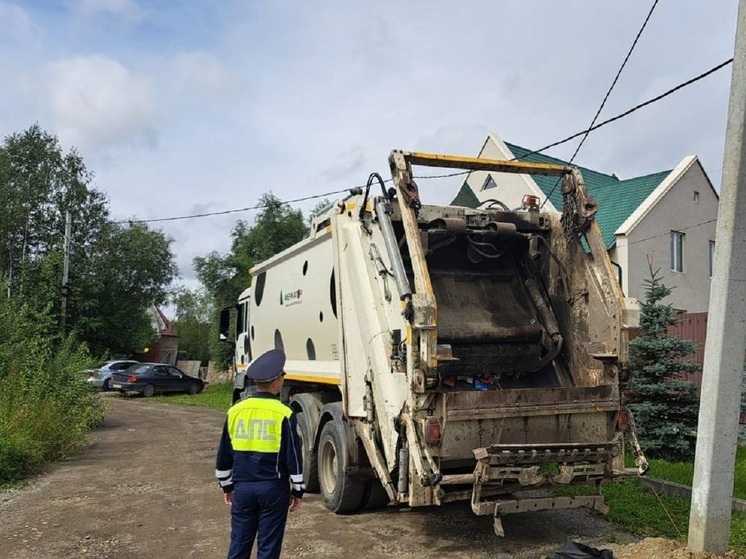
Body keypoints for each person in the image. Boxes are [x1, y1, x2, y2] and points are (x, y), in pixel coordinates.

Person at [215, 349, 304, 559]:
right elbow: (293, 456)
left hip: (243, 488)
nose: (283, 379)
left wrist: (227, 486)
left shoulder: (235, 410)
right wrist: (298, 491)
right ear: (275, 382)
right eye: (282, 376)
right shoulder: (284, 413)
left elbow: (224, 454)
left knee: (239, 543)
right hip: (273, 488)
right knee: (268, 547)